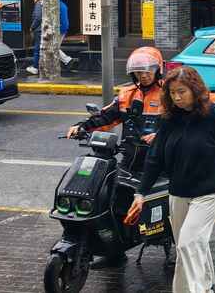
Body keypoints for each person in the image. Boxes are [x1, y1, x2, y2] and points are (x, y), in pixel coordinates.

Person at [127, 66, 215, 293]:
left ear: (195, 89)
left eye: (181, 91)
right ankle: (203, 283)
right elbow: (155, 159)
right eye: (172, 93)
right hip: (178, 192)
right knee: (193, 244)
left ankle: (196, 289)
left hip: (208, 192)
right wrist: (140, 193)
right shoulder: (169, 120)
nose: (177, 97)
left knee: (187, 243)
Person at [65, 46, 170, 269]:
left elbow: (181, 123)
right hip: (130, 160)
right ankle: (114, 251)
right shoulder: (126, 95)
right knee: (110, 199)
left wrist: (161, 135)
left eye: (147, 72)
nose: (143, 76)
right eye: (138, 73)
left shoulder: (168, 94)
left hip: (161, 162)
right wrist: (82, 126)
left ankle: (176, 242)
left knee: (164, 204)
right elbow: (106, 117)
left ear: (157, 71)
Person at [26, 0, 72, 76]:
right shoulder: (61, 4)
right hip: (63, 28)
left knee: (52, 47)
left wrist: (32, 27)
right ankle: (64, 61)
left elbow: (40, 17)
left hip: (59, 29)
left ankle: (67, 60)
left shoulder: (54, 4)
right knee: (52, 47)